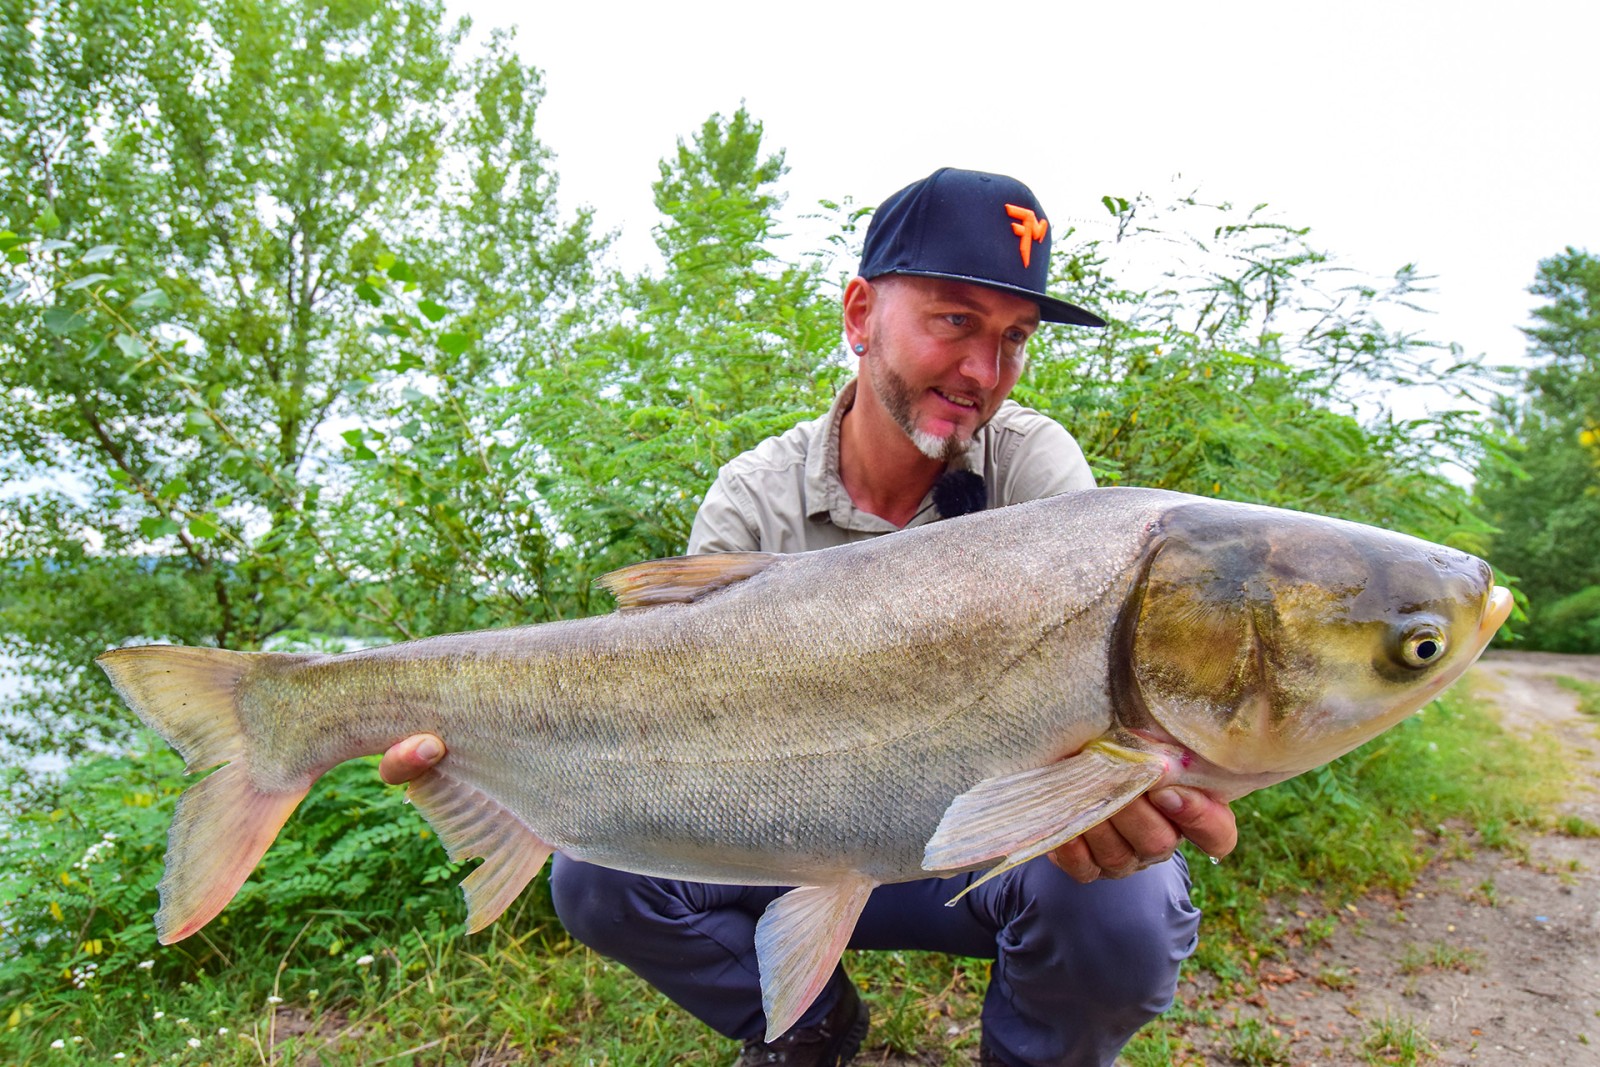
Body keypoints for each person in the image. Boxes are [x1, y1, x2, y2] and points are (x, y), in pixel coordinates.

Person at [379, 168, 1239, 1067]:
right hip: (784, 832)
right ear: (860, 314)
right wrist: (487, 746)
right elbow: (665, 713)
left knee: (1124, 902)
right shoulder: (754, 495)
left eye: (1013, 337)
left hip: (974, 846)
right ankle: (805, 1025)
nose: (985, 372)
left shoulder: (1035, 472)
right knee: (595, 875)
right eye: (955, 321)